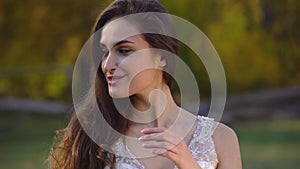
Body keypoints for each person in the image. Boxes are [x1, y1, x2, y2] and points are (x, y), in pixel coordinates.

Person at [48, 0, 242, 169]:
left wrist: (188, 164)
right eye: (105, 52)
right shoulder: (90, 136)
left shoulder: (220, 139)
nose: (107, 65)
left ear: (161, 57)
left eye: (123, 50)